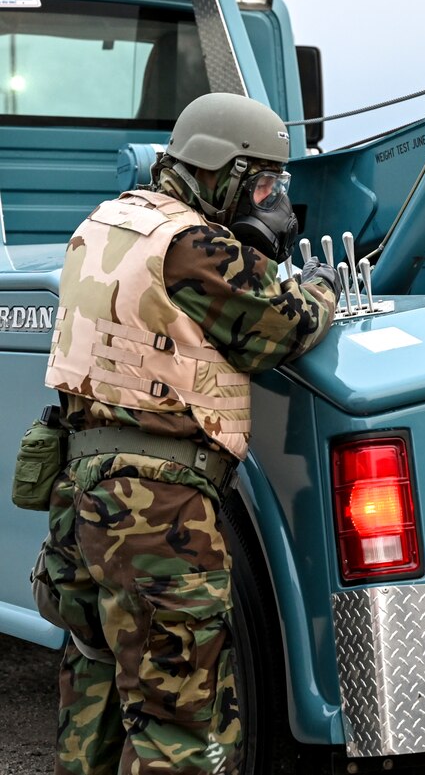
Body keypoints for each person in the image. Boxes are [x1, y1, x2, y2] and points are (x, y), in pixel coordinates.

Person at [38, 92, 341, 775]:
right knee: (183, 725)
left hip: (82, 497)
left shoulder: (107, 220)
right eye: (263, 184)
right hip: (159, 509)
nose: (272, 202)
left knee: (94, 688)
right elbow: (284, 326)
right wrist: (319, 287)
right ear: (219, 170)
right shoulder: (194, 244)